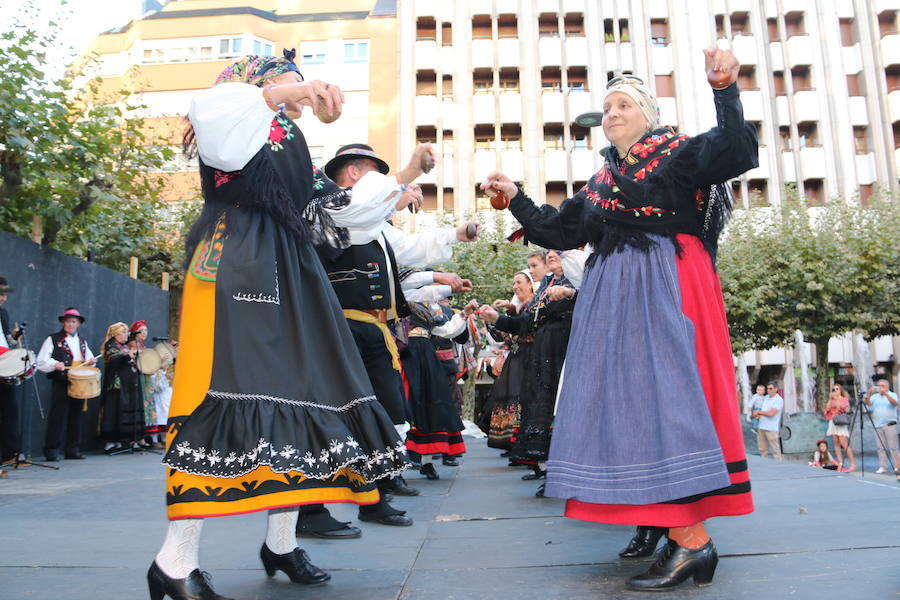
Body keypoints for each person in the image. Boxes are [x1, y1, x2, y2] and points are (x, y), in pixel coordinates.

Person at [479, 44, 756, 591]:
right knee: (631, 404)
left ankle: (694, 541)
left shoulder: (677, 152)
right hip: (615, 295)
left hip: (665, 284)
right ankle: (675, 533)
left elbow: (734, 150)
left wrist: (725, 89)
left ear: (648, 114)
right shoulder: (602, 181)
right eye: (606, 109)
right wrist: (515, 198)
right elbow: (560, 232)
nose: (611, 115)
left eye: (622, 105)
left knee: (668, 401)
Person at [149, 51, 410, 600]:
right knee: (223, 393)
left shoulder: (288, 140)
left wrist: (406, 175)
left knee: (300, 397)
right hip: (239, 259)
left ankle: (282, 542)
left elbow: (337, 214)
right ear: (264, 82)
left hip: (291, 267)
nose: (307, 88)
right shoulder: (238, 110)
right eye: (295, 78)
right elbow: (214, 112)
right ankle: (174, 561)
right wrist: (284, 92)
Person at [293, 142, 480, 538]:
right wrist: (408, 172)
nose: (390, 189)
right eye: (380, 178)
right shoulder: (332, 211)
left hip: (373, 330)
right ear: (358, 177)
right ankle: (310, 509)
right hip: (337, 327)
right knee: (332, 414)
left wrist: (456, 234)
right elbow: (359, 214)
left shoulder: (374, 226)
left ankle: (375, 492)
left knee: (387, 411)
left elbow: (407, 251)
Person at [479, 250, 577, 491]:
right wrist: (496, 318)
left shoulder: (577, 281)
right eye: (549, 253)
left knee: (561, 408)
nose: (552, 255)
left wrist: (571, 294)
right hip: (542, 356)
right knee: (540, 408)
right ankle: (547, 472)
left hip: (565, 352)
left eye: (557, 252)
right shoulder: (546, 285)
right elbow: (525, 324)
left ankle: (566, 473)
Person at [402, 298, 478, 479]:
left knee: (432, 407)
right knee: (407, 406)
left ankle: (426, 462)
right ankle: (399, 463)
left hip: (426, 359)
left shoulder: (428, 308)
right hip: (405, 357)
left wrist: (464, 313)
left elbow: (447, 330)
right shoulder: (396, 301)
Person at [36, 307, 96, 462]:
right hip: (62, 381)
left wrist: (91, 361)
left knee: (76, 415)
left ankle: (72, 449)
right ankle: (52, 450)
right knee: (57, 415)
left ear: (78, 323)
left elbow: (88, 358)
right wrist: (55, 364)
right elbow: (42, 360)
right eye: (68, 321)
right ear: (63, 322)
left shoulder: (82, 342)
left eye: (73, 321)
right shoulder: (53, 339)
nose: (71, 324)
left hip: (79, 383)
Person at [483, 271, 535, 452]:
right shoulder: (516, 308)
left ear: (530, 284)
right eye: (514, 283)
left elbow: (526, 328)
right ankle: (513, 443)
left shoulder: (533, 306)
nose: (515, 286)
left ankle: (523, 443)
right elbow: (503, 337)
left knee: (522, 398)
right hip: (515, 358)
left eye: (519, 282)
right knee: (509, 398)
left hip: (530, 357)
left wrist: (511, 311)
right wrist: (491, 319)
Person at [98, 322, 145, 452]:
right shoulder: (111, 345)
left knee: (127, 411)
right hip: (116, 385)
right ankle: (111, 441)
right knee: (114, 411)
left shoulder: (124, 346)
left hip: (128, 383)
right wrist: (127, 355)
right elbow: (113, 359)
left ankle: (127, 439)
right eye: (123, 332)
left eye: (126, 332)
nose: (126, 335)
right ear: (115, 334)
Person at [0, 277, 24, 466]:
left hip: (4, 364)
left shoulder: (3, 314)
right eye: (1, 294)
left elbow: (7, 340)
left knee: (10, 409)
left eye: (4, 295)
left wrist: (14, 337)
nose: (3, 298)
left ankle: (9, 452)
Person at [129, 320, 162, 447]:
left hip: (145, 378)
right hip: (138, 378)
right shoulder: (133, 344)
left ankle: (143, 436)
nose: (144, 333)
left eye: (146, 330)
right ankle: (137, 437)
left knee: (147, 406)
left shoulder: (142, 345)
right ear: (135, 332)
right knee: (140, 405)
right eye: (142, 330)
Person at [863, 379, 900, 474]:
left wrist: (886, 394)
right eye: (879, 386)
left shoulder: (892, 395)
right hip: (877, 425)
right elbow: (867, 403)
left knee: (893, 447)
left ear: (887, 387)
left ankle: (897, 466)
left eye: (882, 386)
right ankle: (883, 466)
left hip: (890, 425)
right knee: (880, 448)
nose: (880, 388)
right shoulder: (875, 396)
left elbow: (895, 403)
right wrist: (869, 394)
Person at [824, 383, 855, 472]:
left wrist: (837, 398)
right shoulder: (832, 399)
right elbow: (827, 409)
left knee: (844, 444)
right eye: (834, 389)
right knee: (836, 443)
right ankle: (840, 463)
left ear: (840, 390)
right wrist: (830, 399)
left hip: (840, 421)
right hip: (833, 421)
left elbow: (840, 408)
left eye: (837, 389)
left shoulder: (844, 399)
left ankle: (853, 464)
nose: (835, 391)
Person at [753, 382, 784, 460]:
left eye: (770, 388)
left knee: (775, 450)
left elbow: (771, 413)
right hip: (761, 426)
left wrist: (759, 412)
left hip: (771, 428)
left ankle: (779, 466)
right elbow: (760, 408)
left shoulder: (778, 399)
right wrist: (756, 414)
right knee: (762, 449)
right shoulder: (766, 397)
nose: (768, 390)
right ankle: (765, 466)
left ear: (776, 389)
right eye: (767, 389)